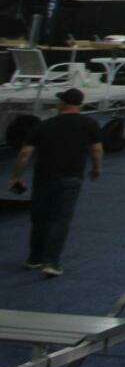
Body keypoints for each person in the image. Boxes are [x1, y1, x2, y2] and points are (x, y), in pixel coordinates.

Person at [8, 88, 104, 277]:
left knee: (40, 218)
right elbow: (96, 150)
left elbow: (25, 154)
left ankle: (34, 258)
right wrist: (96, 169)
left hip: (44, 178)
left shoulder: (45, 125)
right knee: (60, 219)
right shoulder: (90, 124)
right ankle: (51, 262)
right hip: (72, 178)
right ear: (80, 104)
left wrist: (16, 177)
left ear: (62, 104)